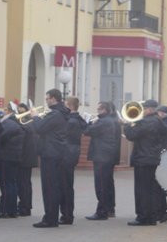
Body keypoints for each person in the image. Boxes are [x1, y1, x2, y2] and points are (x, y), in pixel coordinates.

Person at [28, 89, 69, 228]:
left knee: (49, 188)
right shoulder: (60, 112)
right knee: (53, 187)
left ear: (53, 98)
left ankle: (50, 219)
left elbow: (39, 128)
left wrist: (35, 116)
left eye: (47, 98)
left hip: (50, 153)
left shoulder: (56, 114)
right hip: (55, 152)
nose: (46, 101)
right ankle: (51, 217)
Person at [124, 99, 167, 226]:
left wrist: (128, 124)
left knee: (142, 190)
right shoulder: (159, 121)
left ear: (149, 109)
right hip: (153, 158)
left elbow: (131, 135)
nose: (141, 111)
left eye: (143, 109)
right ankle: (152, 217)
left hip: (143, 159)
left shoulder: (147, 122)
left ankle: (143, 217)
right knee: (151, 189)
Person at [84, 101, 121, 220]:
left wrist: (89, 121)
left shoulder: (103, 121)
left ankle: (101, 212)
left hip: (102, 156)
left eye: (98, 109)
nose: (97, 111)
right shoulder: (113, 120)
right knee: (108, 183)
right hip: (109, 156)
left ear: (104, 110)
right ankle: (110, 209)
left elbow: (87, 131)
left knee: (101, 185)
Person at [60, 97, 86, 225]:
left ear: (70, 106)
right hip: (73, 152)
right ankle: (67, 214)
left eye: (65, 105)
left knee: (65, 186)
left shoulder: (70, 121)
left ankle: (67, 215)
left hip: (67, 154)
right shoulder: (78, 119)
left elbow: (62, 135)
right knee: (68, 185)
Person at [0, 102, 23, 218]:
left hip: (6, 157)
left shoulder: (9, 123)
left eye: (4, 109)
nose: (2, 112)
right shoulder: (14, 122)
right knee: (11, 183)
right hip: (12, 156)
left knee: (7, 184)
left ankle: (6, 210)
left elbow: (0, 137)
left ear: (8, 111)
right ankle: (11, 210)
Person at [16, 102, 38, 217]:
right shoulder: (28, 122)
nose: (19, 112)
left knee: (23, 183)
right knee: (25, 183)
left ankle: (25, 207)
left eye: (21, 110)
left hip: (25, 157)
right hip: (27, 156)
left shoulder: (28, 123)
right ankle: (25, 206)